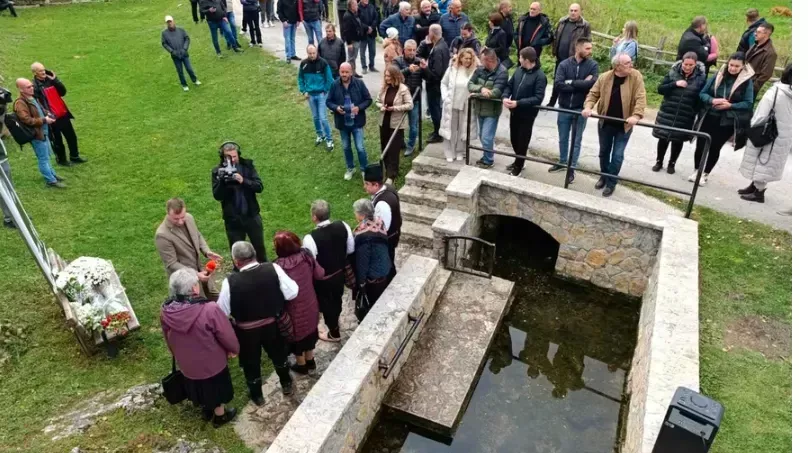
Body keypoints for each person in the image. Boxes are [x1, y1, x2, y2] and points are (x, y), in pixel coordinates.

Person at [217, 241, 300, 400]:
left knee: (251, 363)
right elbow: (292, 292)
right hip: (272, 326)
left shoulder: (230, 282)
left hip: (246, 332)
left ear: (236, 261)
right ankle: (286, 384)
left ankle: (257, 395)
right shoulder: (273, 268)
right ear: (254, 254)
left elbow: (221, 311)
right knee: (279, 355)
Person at [160, 268, 239, 427]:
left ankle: (206, 409)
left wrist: (175, 353)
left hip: (187, 364)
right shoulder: (209, 309)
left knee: (199, 387)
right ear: (194, 288)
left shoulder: (166, 311)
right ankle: (220, 416)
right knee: (216, 387)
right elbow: (225, 334)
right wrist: (234, 348)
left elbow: (167, 336)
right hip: (212, 362)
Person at [582, 53, 646, 197]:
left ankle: (611, 182)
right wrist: (588, 107)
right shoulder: (604, 77)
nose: (631, 64)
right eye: (627, 63)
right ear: (617, 66)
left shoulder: (636, 76)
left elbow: (641, 97)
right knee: (604, 152)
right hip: (606, 122)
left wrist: (636, 115)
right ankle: (604, 176)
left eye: (630, 62)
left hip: (624, 125)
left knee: (617, 156)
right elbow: (593, 94)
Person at [690, 52, 754, 186]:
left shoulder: (747, 82)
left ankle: (705, 174)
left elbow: (748, 103)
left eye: (737, 66)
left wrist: (731, 105)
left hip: (727, 120)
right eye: (731, 65)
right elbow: (702, 93)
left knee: (715, 147)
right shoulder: (718, 75)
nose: (733, 68)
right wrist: (712, 100)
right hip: (709, 115)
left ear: (743, 67)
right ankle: (696, 171)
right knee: (700, 144)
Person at [273, 231, 325, 375]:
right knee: (310, 330)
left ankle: (302, 365)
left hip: (292, 309)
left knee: (297, 337)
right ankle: (310, 360)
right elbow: (319, 274)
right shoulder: (306, 256)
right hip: (310, 302)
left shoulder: (277, 266)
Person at [737, 64, 791, 203]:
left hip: (768, 130)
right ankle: (755, 186)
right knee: (769, 161)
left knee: (762, 159)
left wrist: (752, 126)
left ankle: (759, 193)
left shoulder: (776, 91)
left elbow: (761, 113)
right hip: (784, 133)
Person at [302, 200, 354, 342]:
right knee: (337, 298)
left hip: (324, 279)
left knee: (327, 305)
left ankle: (334, 333)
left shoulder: (310, 238)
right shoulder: (343, 225)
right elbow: (350, 249)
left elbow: (311, 264)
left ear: (314, 217)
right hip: (341, 272)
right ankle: (335, 321)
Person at [549, 37, 598, 183]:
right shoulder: (564, 64)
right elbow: (558, 85)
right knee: (563, 138)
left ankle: (572, 168)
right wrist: (581, 84)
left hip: (580, 109)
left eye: (591, 48)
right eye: (587, 48)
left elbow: (592, 84)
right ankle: (563, 161)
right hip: (564, 107)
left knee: (576, 140)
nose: (590, 51)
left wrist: (570, 82)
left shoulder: (593, 65)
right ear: (578, 48)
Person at [155, 198, 223, 300]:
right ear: (167, 213)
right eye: (176, 219)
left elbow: (197, 235)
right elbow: (171, 264)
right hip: (186, 283)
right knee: (199, 305)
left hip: (201, 272)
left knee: (218, 298)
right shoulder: (162, 235)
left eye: (182, 217)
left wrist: (206, 251)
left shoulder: (189, 218)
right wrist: (195, 274)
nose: (180, 222)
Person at [211, 142, 267, 262]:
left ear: (238, 154)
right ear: (223, 157)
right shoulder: (217, 171)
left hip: (251, 216)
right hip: (233, 220)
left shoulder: (247, 166)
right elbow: (217, 196)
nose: (232, 159)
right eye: (228, 157)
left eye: (234, 156)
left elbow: (259, 187)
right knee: (237, 255)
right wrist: (222, 182)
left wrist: (243, 180)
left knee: (259, 249)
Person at [651, 52, 706, 174]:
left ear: (695, 64)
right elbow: (660, 89)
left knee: (678, 140)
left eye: (691, 65)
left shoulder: (701, 78)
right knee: (663, 138)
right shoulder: (673, 73)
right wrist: (674, 84)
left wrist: (694, 110)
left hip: (685, 114)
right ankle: (659, 161)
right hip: (668, 111)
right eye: (685, 64)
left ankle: (672, 163)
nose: (687, 67)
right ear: (682, 62)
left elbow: (701, 98)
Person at [30, 62, 87, 167]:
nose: (43, 72)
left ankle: (74, 156)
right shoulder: (34, 86)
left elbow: (63, 92)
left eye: (43, 69)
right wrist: (46, 115)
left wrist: (55, 80)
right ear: (35, 73)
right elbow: (37, 103)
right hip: (51, 117)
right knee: (57, 140)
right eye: (40, 71)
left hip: (62, 113)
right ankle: (62, 160)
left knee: (71, 136)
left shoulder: (50, 80)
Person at [502, 47, 546, 177]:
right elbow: (509, 86)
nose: (519, 59)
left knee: (522, 141)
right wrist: (505, 97)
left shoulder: (540, 76)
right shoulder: (518, 71)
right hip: (514, 111)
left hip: (527, 114)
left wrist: (519, 103)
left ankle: (518, 166)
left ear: (526, 60)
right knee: (514, 139)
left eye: (520, 57)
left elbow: (538, 98)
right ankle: (519, 160)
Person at [13, 78, 64, 189]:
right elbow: (26, 120)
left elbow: (39, 110)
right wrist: (44, 120)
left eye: (31, 85)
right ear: (21, 90)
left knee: (47, 156)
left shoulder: (32, 97)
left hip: (43, 132)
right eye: (28, 87)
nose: (32, 88)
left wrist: (47, 113)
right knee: (43, 158)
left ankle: (52, 174)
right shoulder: (20, 103)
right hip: (37, 135)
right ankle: (51, 181)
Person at [326, 63, 373, 180]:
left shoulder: (359, 83)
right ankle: (350, 168)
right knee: (346, 147)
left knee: (360, 147)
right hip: (342, 123)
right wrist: (336, 108)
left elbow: (368, 100)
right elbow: (328, 101)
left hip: (357, 122)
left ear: (351, 72)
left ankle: (364, 169)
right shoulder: (334, 84)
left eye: (346, 72)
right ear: (339, 72)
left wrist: (359, 108)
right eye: (342, 72)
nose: (344, 74)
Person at [351, 198, 392, 322]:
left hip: (374, 276)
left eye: (356, 212)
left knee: (373, 304)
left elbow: (362, 262)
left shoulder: (362, 234)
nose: (355, 214)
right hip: (385, 268)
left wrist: (361, 283)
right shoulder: (380, 222)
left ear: (362, 215)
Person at [468, 48, 507, 168]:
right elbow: (470, 84)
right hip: (479, 108)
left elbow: (495, 93)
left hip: (492, 110)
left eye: (481, 59)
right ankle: (486, 156)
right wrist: (481, 89)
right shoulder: (480, 69)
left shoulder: (502, 72)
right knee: (482, 136)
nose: (479, 61)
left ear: (488, 60)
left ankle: (489, 160)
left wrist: (475, 94)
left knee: (486, 137)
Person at [547, 3, 591, 107]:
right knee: (557, 80)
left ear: (580, 12)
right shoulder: (562, 21)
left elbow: (588, 42)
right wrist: (554, 51)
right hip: (560, 57)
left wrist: (584, 55)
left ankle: (568, 103)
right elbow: (556, 37)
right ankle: (552, 102)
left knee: (571, 82)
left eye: (575, 11)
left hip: (574, 59)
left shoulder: (585, 25)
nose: (573, 13)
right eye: (571, 10)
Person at [376, 66, 413, 183]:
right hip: (384, 122)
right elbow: (377, 101)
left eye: (388, 76)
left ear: (395, 76)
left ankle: (391, 175)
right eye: (385, 76)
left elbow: (410, 105)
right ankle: (387, 169)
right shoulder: (384, 87)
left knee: (393, 149)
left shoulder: (403, 89)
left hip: (396, 124)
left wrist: (394, 108)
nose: (386, 78)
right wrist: (381, 106)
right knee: (384, 146)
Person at [439, 48, 476, 162]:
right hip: (451, 104)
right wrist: (445, 97)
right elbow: (443, 83)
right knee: (449, 129)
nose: (468, 61)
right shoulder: (452, 69)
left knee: (462, 130)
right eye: (466, 58)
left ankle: (460, 151)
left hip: (465, 104)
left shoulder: (474, 71)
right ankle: (449, 151)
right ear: (460, 58)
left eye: (470, 58)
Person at [364, 164, 401, 273]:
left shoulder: (382, 204)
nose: (364, 187)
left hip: (387, 240)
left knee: (386, 264)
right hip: (393, 234)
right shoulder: (388, 188)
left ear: (376, 185)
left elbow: (382, 229)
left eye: (367, 184)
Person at [298, 45, 335, 151]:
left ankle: (329, 139)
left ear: (317, 52)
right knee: (315, 117)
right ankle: (320, 135)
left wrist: (325, 90)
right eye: (310, 53)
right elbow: (300, 78)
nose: (312, 55)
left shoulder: (323, 63)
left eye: (314, 53)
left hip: (321, 95)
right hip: (310, 95)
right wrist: (304, 91)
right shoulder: (303, 64)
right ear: (307, 53)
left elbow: (329, 79)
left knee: (323, 118)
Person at [393, 40, 424, 157]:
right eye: (409, 50)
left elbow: (429, 77)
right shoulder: (397, 61)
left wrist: (425, 68)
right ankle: (400, 143)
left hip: (414, 99)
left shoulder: (419, 61)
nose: (412, 52)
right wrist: (408, 70)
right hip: (399, 99)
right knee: (398, 123)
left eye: (414, 50)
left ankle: (411, 145)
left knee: (413, 126)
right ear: (404, 50)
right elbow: (394, 75)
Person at [422, 24, 450, 143]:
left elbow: (436, 72)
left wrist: (425, 68)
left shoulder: (438, 49)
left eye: (429, 32)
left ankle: (438, 133)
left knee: (435, 109)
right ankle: (437, 131)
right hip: (439, 83)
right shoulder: (443, 44)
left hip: (435, 84)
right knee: (436, 108)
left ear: (432, 34)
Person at [161, 17, 202, 92]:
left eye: (170, 21)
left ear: (173, 21)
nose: (169, 23)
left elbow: (187, 38)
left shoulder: (181, 30)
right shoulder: (164, 33)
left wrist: (185, 48)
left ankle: (195, 80)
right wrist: (172, 51)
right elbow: (164, 44)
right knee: (180, 71)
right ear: (166, 23)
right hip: (175, 56)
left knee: (189, 69)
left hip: (184, 53)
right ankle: (184, 85)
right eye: (168, 22)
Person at [745, 22, 777, 98]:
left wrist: (752, 88)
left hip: (750, 87)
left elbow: (766, 75)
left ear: (766, 34)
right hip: (742, 81)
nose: (755, 34)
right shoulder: (755, 45)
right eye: (756, 31)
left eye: (758, 32)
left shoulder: (770, 53)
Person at [342, 0, 365, 78]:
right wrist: (349, 43)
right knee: (351, 58)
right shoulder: (347, 16)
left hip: (357, 39)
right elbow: (346, 31)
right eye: (355, 5)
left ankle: (353, 72)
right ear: (351, 6)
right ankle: (350, 74)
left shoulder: (354, 14)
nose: (357, 6)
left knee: (353, 58)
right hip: (352, 41)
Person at [358, 0, 380, 74]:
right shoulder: (357, 8)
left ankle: (372, 66)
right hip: (362, 33)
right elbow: (358, 21)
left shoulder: (371, 7)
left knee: (372, 51)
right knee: (362, 52)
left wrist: (372, 27)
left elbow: (376, 18)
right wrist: (367, 28)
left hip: (372, 33)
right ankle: (364, 67)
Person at [498, 0, 515, 68]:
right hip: (500, 49)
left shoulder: (508, 18)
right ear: (503, 8)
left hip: (506, 48)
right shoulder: (498, 19)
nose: (511, 9)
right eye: (509, 7)